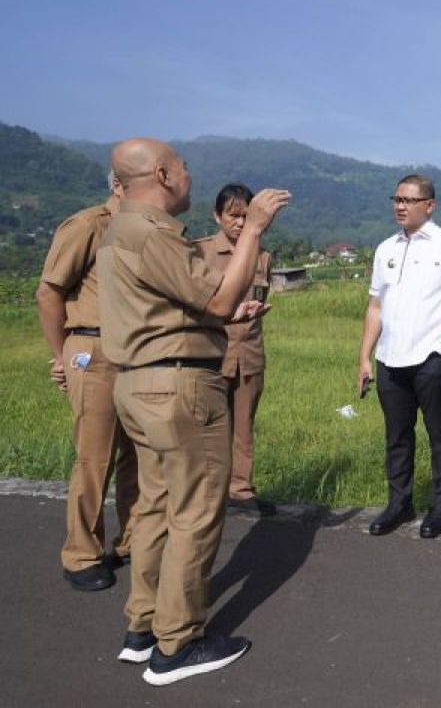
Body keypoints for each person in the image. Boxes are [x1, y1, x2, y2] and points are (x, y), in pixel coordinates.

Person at [98, 137, 289, 685]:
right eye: (182, 167)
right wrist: (252, 228)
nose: (188, 175)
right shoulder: (152, 232)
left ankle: (144, 627)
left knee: (156, 506)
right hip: (178, 387)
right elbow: (219, 301)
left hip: (139, 383)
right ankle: (177, 645)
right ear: (161, 174)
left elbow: (177, 308)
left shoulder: (118, 231)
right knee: (196, 512)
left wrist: (218, 316)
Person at [358, 174, 441, 540]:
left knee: (439, 432)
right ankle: (399, 503)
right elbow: (375, 307)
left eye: (409, 200)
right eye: (396, 199)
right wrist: (365, 357)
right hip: (390, 358)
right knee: (397, 435)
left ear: (429, 205)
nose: (400, 206)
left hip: (431, 357)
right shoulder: (385, 249)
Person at [36, 169, 139, 592]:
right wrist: (62, 354)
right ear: (118, 185)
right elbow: (49, 292)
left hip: (137, 353)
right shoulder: (88, 226)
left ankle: (132, 539)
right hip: (94, 349)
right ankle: (81, 553)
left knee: (139, 457)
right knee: (95, 457)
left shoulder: (143, 232)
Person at [196, 183, 276, 516]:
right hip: (212, 353)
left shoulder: (263, 256)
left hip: (249, 353)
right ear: (217, 216)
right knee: (207, 428)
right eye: (233, 215)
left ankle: (241, 491)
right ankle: (207, 493)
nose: (240, 223)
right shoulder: (198, 253)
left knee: (244, 426)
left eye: (247, 215)